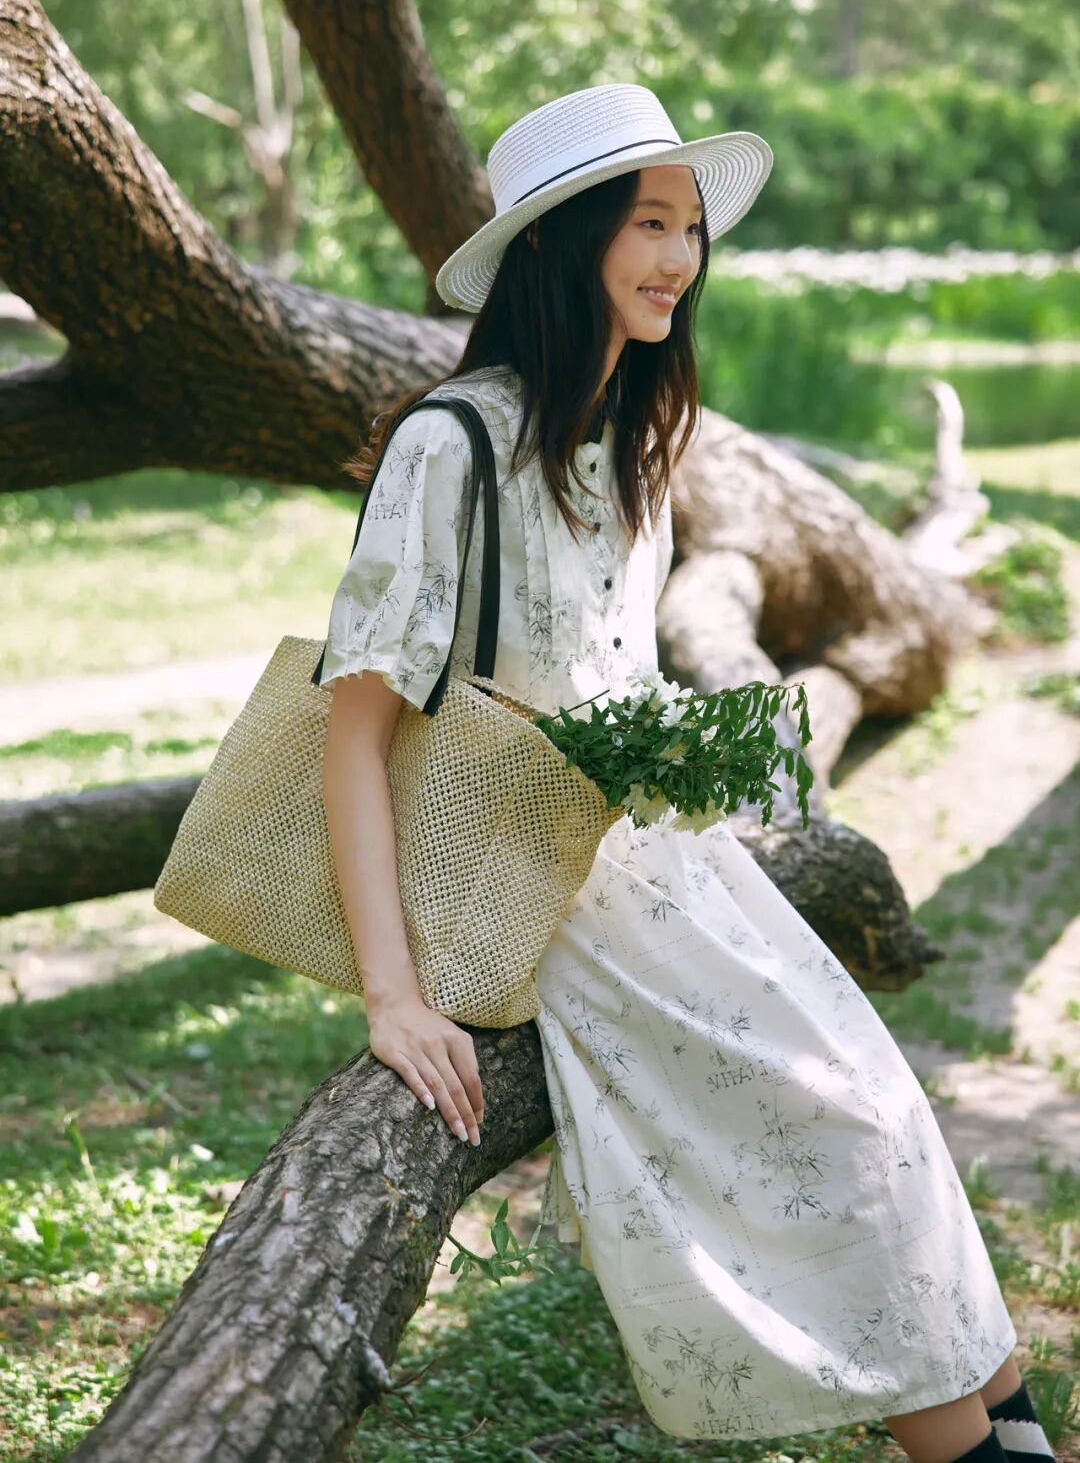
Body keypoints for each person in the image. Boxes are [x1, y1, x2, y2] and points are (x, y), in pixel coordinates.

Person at [316, 84, 1054, 1463]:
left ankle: (1006, 1445)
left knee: (883, 1106)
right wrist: (393, 996)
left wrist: (702, 762)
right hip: (532, 882)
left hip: (659, 861)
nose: (680, 257)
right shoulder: (450, 443)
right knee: (838, 1131)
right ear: (560, 241)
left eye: (691, 228)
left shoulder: (627, 440)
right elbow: (353, 734)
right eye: (648, 224)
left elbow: (619, 680)